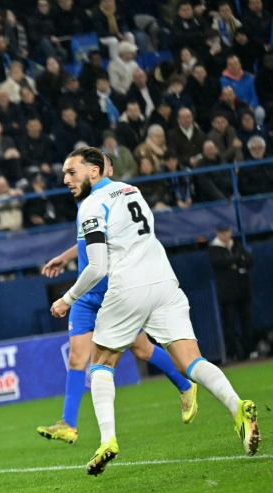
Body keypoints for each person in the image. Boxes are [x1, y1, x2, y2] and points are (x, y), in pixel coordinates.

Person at [49, 147, 259, 475]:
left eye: (72, 172)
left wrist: (68, 298)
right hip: (164, 283)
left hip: (127, 288)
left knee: (100, 363)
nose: (65, 180)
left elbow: (97, 266)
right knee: (192, 360)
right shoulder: (132, 191)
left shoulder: (91, 205)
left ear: (94, 172)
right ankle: (237, 406)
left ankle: (108, 440)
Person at [37, 152, 198, 446]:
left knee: (143, 349)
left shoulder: (112, 199)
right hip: (87, 294)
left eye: (73, 173)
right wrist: (65, 256)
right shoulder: (87, 204)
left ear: (101, 170)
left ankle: (185, 385)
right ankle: (68, 424)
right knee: (77, 357)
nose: (68, 180)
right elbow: (87, 240)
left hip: (113, 289)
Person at [208, 226, 254, 362]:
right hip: (227, 294)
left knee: (247, 322)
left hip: (243, 291)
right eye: (222, 232)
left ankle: (249, 351)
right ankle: (233, 354)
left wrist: (234, 262)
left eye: (227, 231)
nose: (225, 234)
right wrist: (237, 259)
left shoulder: (237, 245)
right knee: (230, 324)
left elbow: (250, 260)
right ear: (218, 233)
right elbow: (219, 262)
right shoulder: (214, 248)